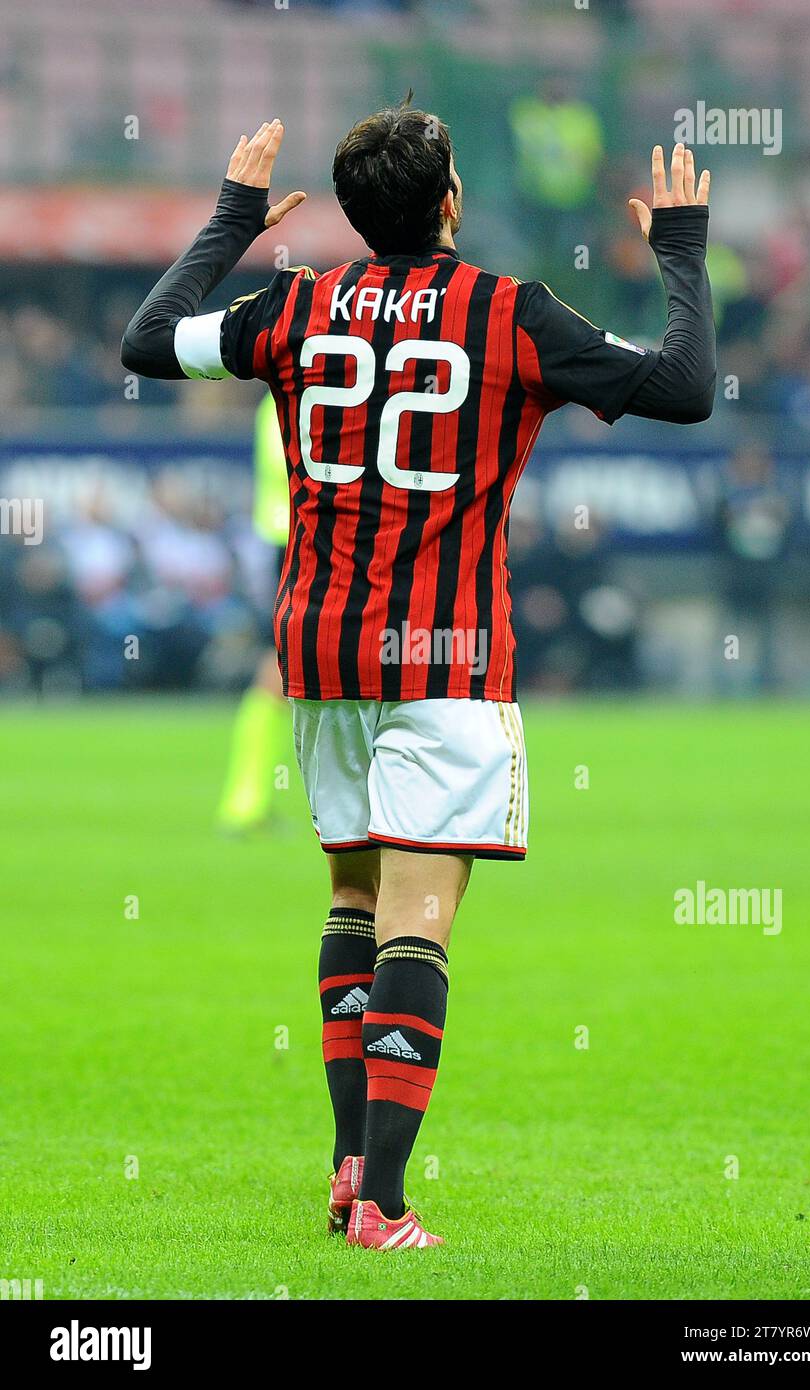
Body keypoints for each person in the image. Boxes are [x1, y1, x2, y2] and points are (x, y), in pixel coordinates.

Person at [121, 103, 715, 1250]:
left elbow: (150, 341)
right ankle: (385, 1207)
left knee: (351, 900)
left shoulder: (291, 304)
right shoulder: (509, 314)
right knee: (417, 926)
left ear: (350, 213)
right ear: (449, 202)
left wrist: (232, 220)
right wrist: (679, 252)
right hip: (443, 658)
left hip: (322, 648)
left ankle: (350, 1165)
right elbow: (685, 388)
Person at [216, 394, 292, 833]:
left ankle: (247, 799)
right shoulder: (292, 392)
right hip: (306, 538)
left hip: (290, 539)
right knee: (280, 669)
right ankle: (245, 800)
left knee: (280, 667)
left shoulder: (275, 397)